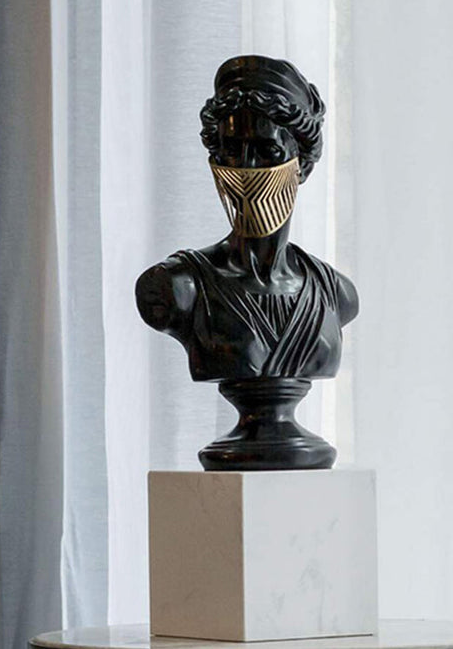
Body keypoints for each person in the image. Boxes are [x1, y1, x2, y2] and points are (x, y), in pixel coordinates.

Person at [135, 55, 359, 470]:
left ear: (302, 164)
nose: (246, 169)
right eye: (231, 151)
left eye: (266, 150)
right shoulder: (177, 287)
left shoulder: (336, 294)